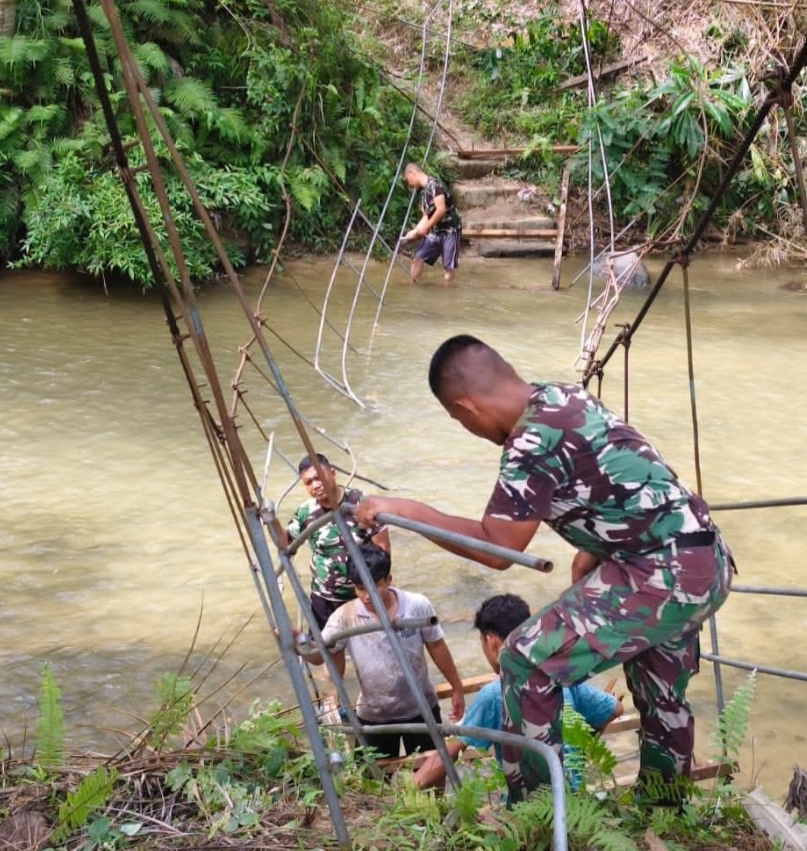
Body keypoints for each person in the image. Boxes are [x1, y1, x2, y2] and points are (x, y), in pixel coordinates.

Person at [354, 334, 734, 801]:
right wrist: (595, 549)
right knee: (660, 695)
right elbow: (619, 474)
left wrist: (406, 511)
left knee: (524, 661)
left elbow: (500, 548)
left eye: (458, 420)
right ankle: (664, 809)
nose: (468, 429)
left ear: (465, 407)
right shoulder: (563, 397)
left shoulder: (529, 441)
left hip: (658, 572)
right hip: (702, 561)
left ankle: (539, 814)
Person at [414, 594, 622, 791]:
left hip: (527, 805)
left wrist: (410, 788)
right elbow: (615, 709)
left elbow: (447, 755)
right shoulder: (559, 675)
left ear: (492, 642)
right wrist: (580, 746)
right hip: (573, 798)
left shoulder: (495, 694)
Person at [304, 543, 466, 758]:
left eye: (374, 587)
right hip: (374, 714)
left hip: (421, 708)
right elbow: (319, 657)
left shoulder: (416, 606)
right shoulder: (344, 617)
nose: (367, 597)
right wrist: (298, 643)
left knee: (432, 768)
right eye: (360, 588)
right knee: (371, 775)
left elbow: (437, 646)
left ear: (388, 580)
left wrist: (457, 688)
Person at [281, 453, 389, 629]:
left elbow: (383, 550)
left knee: (369, 641)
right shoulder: (306, 511)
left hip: (362, 596)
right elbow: (285, 543)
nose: (315, 485)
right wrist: (270, 519)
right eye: (308, 482)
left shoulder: (361, 504)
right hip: (324, 598)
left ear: (332, 472)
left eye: (318, 477)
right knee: (325, 643)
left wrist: (379, 591)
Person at [403, 162, 462, 284]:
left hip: (450, 229)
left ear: (412, 173)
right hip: (436, 230)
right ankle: (413, 284)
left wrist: (426, 228)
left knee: (448, 267)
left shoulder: (435, 185)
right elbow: (426, 216)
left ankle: (447, 291)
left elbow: (441, 210)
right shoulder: (422, 192)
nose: (409, 184)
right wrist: (415, 231)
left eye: (408, 179)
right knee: (418, 257)